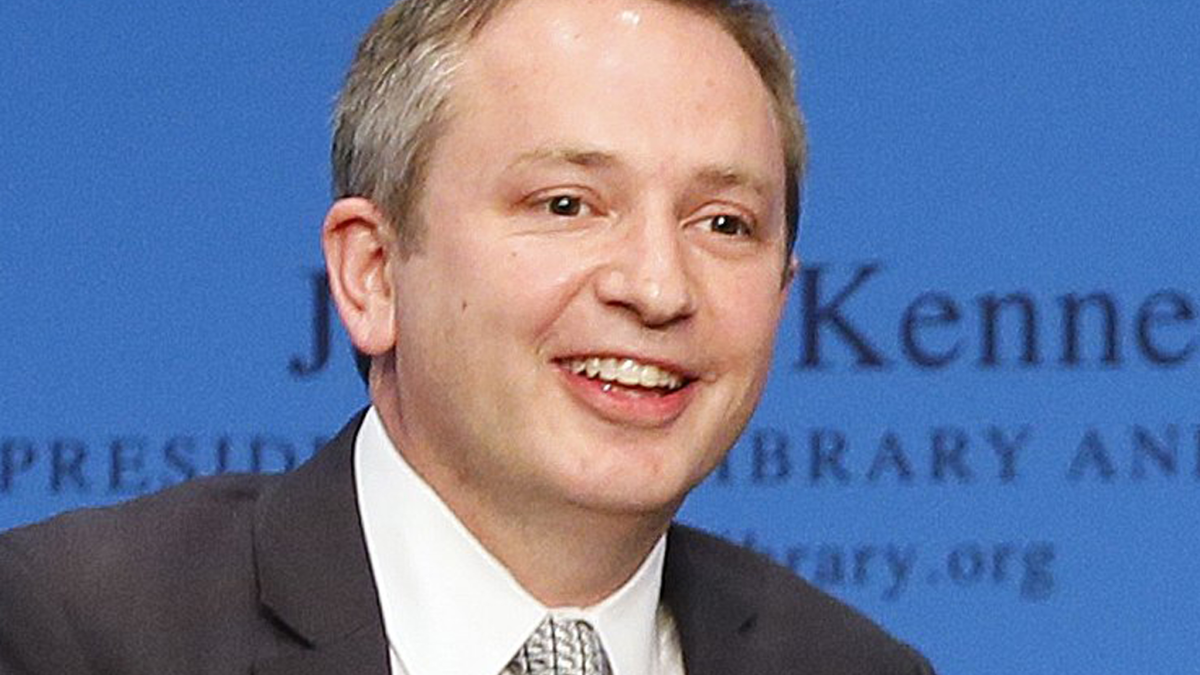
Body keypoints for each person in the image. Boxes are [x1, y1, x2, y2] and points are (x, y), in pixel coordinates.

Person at [0, 0, 936, 673]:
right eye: (568, 204)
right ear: (372, 272)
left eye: (724, 223)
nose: (657, 286)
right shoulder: (76, 631)